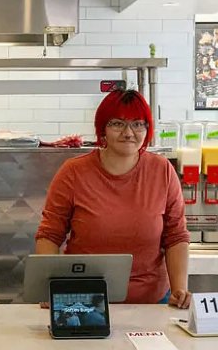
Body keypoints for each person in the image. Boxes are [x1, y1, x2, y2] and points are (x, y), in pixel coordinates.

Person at [35, 89, 191, 308]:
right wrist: (48, 286)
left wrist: (179, 289)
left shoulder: (162, 170)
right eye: (117, 123)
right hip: (83, 301)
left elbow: (175, 236)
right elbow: (50, 234)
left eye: (138, 124)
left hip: (150, 302)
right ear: (103, 130)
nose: (128, 132)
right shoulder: (73, 172)